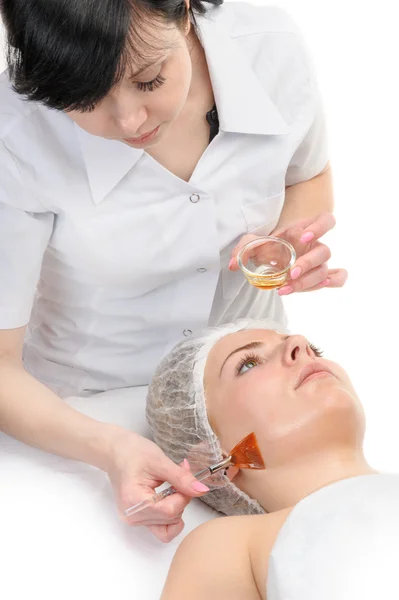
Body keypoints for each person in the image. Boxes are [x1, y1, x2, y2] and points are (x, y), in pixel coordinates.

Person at [0, 0, 347, 541]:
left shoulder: (267, 45)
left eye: (149, 78)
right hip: (86, 405)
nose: (130, 121)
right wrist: (110, 449)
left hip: (250, 377)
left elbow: (308, 173)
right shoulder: (15, 134)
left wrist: (287, 247)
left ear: (184, 11)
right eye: (85, 100)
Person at [146, 319, 399, 598]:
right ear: (214, 459)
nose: (300, 344)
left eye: (315, 349)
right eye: (249, 363)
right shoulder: (233, 546)